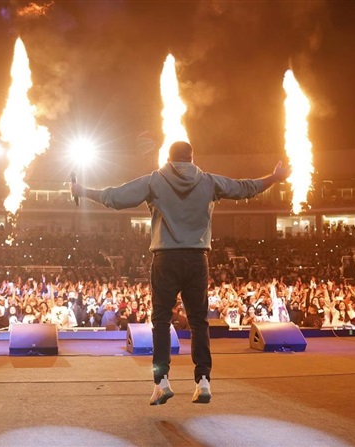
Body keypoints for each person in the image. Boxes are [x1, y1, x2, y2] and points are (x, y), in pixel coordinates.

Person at [72, 140, 289, 405]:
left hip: (166, 258)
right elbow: (245, 188)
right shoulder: (208, 181)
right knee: (199, 322)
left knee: (162, 320)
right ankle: (203, 380)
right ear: (192, 158)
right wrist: (274, 177)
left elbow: (116, 197)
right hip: (197, 258)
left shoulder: (155, 180)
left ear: (168, 158)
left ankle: (161, 381)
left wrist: (82, 190)